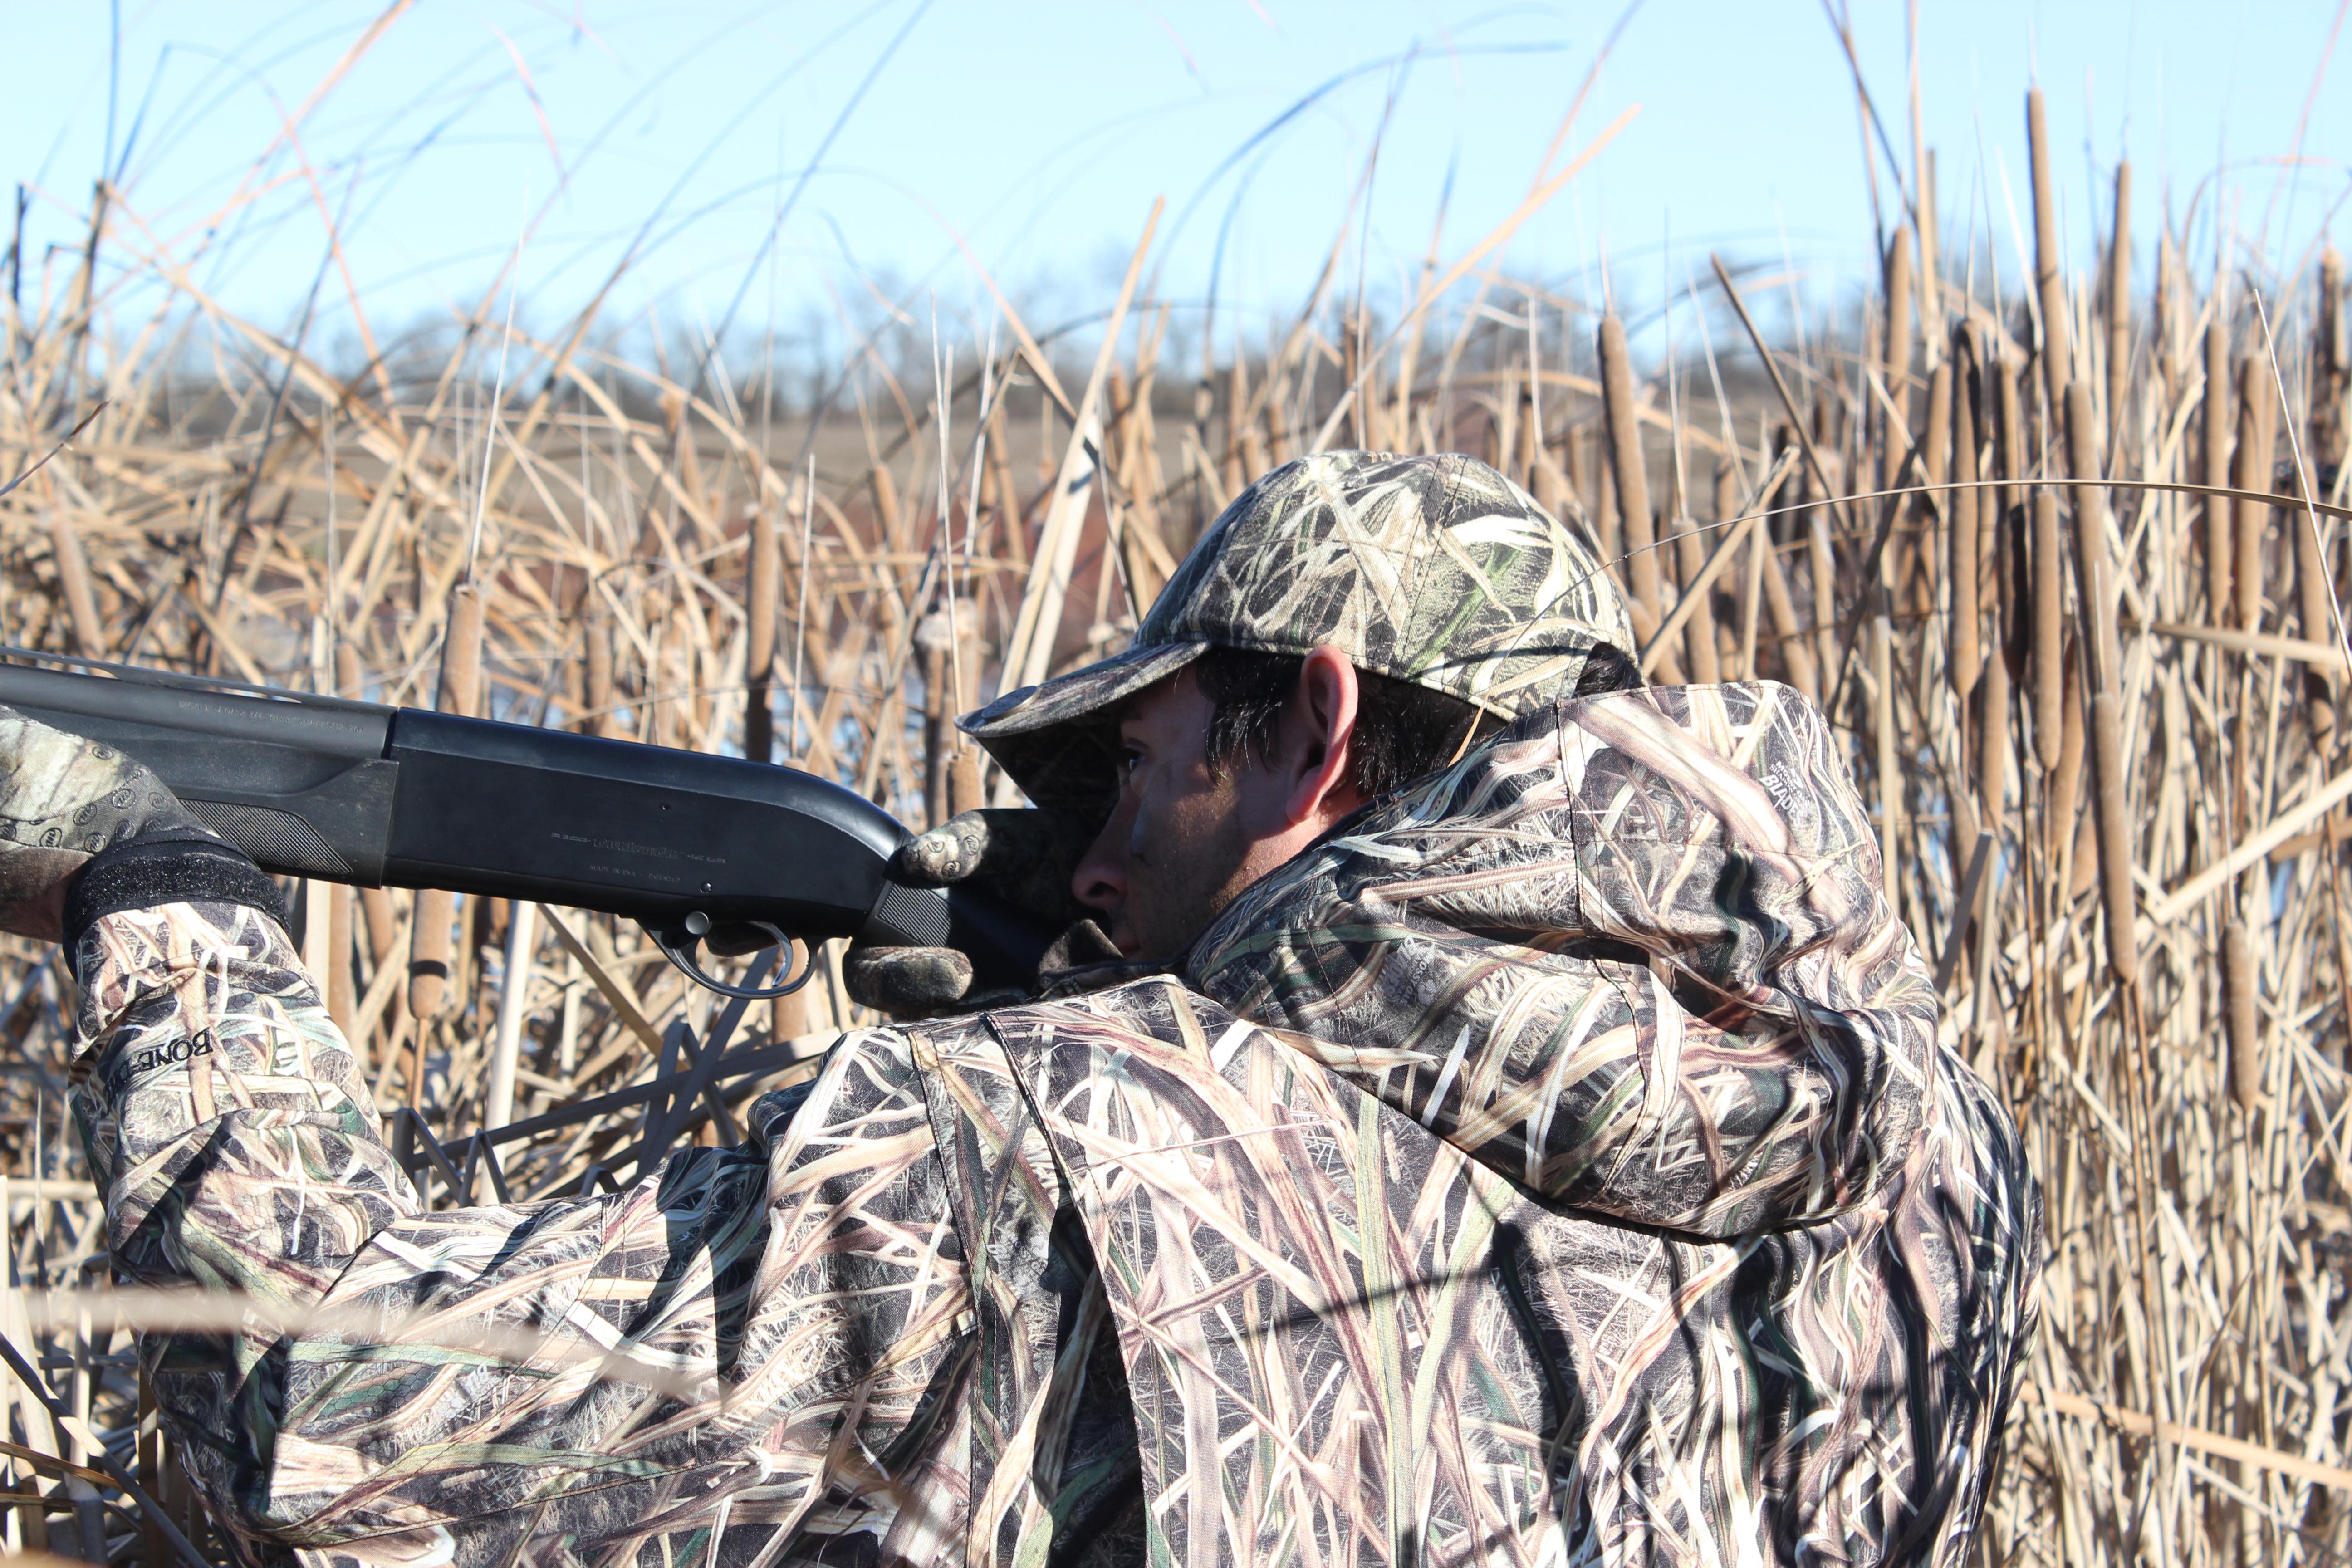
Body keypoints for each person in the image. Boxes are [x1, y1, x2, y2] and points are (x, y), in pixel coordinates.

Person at [0, 451, 2041, 1568]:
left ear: (1310, 725)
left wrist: (153, 891)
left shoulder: (1029, 1152)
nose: (1085, 850)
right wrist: (1130, 977)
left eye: (1135, 771)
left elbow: (295, 1431)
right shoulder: (1947, 1170)